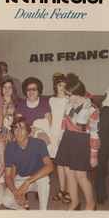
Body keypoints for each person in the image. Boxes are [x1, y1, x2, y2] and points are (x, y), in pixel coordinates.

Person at [55, 80, 100, 210]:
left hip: (82, 141)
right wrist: (61, 137)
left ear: (77, 94)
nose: (67, 98)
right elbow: (64, 121)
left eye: (69, 95)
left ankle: (91, 204)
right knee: (68, 173)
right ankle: (75, 202)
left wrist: (93, 155)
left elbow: (94, 133)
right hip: (68, 138)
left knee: (80, 176)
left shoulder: (92, 109)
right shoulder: (70, 103)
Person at [2, 117, 53, 210]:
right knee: (6, 201)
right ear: (13, 131)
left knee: (44, 180)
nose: (19, 132)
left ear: (27, 130)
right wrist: (15, 192)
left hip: (37, 178)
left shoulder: (39, 143)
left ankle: (43, 212)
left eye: (22, 128)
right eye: (16, 129)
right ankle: (24, 207)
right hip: (21, 178)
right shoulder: (9, 149)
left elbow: (49, 167)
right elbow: (8, 176)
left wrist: (27, 182)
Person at [49, 76, 71, 204]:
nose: (62, 88)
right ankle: (62, 188)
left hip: (65, 135)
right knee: (59, 163)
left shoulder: (69, 100)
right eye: (59, 85)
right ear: (55, 87)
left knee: (67, 164)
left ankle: (69, 190)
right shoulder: (51, 100)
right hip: (54, 133)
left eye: (64, 85)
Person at [1, 79, 19, 145]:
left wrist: (14, 122)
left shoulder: (16, 103)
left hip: (13, 132)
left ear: (13, 89)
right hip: (1, 132)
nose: (7, 90)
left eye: (9, 87)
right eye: (5, 87)